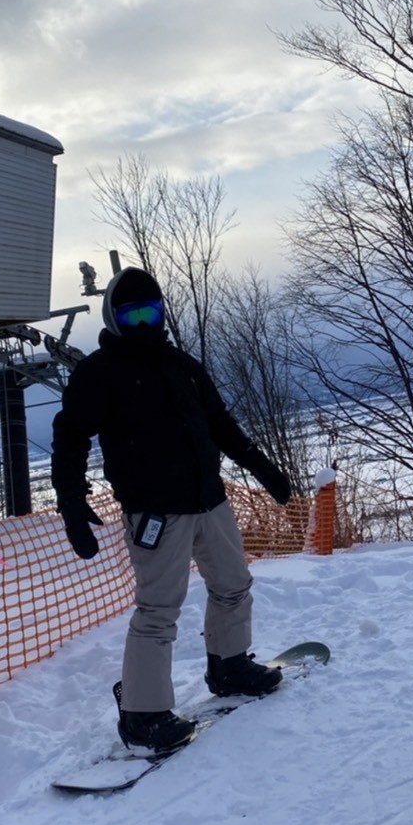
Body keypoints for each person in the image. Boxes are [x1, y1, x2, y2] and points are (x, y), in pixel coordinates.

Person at [50, 266, 294, 753]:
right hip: (155, 512)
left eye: (151, 313)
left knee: (233, 585)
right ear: (114, 318)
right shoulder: (99, 373)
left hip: (209, 500)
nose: (144, 324)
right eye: (132, 315)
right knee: (159, 610)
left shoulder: (183, 366)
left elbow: (220, 424)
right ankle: (142, 714)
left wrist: (263, 467)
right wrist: (71, 503)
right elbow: (70, 437)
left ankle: (229, 666)